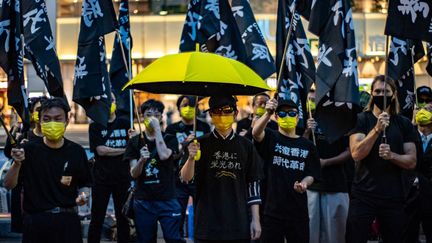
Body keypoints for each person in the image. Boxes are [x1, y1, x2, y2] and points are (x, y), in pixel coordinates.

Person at [4, 97, 92, 243]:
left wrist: (83, 196)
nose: (52, 123)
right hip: (36, 223)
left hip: (68, 222)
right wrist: (17, 164)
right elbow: (8, 184)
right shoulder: (28, 150)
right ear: (40, 121)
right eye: (47, 119)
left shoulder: (76, 151)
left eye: (58, 119)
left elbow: (85, 183)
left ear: (66, 121)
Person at [181, 95, 263, 243]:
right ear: (211, 115)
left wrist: (256, 220)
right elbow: (185, 178)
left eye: (227, 111)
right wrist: (191, 157)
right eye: (217, 112)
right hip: (207, 224)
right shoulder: (198, 144)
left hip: (238, 223)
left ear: (235, 113)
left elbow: (253, 183)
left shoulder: (246, 146)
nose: (222, 116)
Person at [347, 75, 417, 243]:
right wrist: (377, 130)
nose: (381, 94)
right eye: (377, 91)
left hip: (394, 196)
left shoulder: (404, 123)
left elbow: (411, 161)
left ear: (393, 95)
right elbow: (356, 153)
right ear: (371, 94)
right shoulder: (360, 120)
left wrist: (392, 156)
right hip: (363, 195)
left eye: (385, 91)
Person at [252, 98, 321, 243]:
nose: (287, 116)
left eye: (291, 113)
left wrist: (304, 184)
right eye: (282, 114)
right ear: (276, 117)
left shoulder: (308, 145)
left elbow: (312, 173)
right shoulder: (271, 137)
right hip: (272, 211)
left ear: (297, 117)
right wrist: (267, 114)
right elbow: (256, 134)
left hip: (298, 211)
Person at [123, 99, 182, 243]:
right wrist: (142, 161)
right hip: (144, 200)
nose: (152, 118)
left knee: (173, 238)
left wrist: (157, 130)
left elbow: (163, 155)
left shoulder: (170, 139)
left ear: (162, 117)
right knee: (145, 239)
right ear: (142, 117)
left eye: (156, 115)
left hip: (167, 198)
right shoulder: (134, 142)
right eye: (148, 114)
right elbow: (133, 173)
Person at [303, 90, 351, 243]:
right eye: (309, 99)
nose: (313, 101)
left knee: (335, 235)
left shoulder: (342, 118)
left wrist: (326, 162)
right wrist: (307, 132)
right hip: (311, 187)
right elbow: (298, 148)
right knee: (310, 234)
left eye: (315, 98)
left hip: (336, 185)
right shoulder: (304, 118)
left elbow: (350, 152)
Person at [165, 95, 210, 241]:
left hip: (199, 179)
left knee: (201, 216)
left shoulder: (204, 127)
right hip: (179, 181)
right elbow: (171, 154)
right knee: (177, 215)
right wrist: (185, 144)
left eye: (191, 105)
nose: (188, 108)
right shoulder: (171, 129)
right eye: (184, 105)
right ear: (178, 108)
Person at [87, 93, 131, 243]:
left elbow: (133, 148)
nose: (109, 103)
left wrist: (132, 141)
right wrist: (124, 150)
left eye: (111, 100)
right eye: (105, 100)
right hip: (101, 179)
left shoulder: (126, 124)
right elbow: (101, 150)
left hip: (122, 178)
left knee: (123, 217)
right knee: (97, 217)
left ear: (116, 102)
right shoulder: (95, 125)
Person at [4, 96, 47, 233]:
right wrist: (15, 133)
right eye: (38, 110)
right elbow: (8, 152)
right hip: (25, 192)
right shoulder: (22, 134)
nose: (41, 113)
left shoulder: (54, 137)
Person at [403, 104, 432, 243]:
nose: (424, 112)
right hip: (410, 195)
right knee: (409, 233)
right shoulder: (409, 134)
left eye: (429, 110)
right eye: (422, 109)